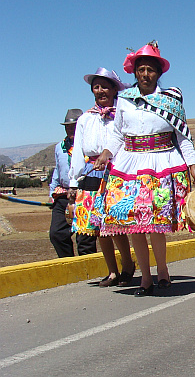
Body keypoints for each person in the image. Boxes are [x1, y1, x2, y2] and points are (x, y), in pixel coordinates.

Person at [93, 42, 195, 296]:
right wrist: (107, 153)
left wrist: (193, 164)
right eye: (141, 69)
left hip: (162, 163)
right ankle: (145, 277)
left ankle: (162, 271)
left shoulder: (171, 99)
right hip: (129, 165)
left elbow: (182, 135)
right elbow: (118, 134)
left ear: (158, 73)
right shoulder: (124, 100)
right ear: (134, 72)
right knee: (135, 224)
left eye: (150, 70)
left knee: (154, 223)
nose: (145, 74)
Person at [69, 68, 134, 287]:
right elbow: (78, 150)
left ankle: (127, 266)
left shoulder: (123, 116)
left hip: (116, 173)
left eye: (105, 86)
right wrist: (73, 181)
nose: (100, 91)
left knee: (114, 224)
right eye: (96, 87)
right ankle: (112, 271)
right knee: (98, 228)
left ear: (115, 89)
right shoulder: (86, 119)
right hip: (91, 173)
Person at [48, 109, 98, 258]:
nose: (71, 130)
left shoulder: (89, 147)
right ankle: (68, 263)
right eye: (68, 127)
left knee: (85, 236)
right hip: (63, 194)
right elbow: (58, 171)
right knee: (57, 233)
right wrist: (52, 194)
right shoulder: (59, 147)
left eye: (74, 127)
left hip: (84, 193)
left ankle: (88, 269)